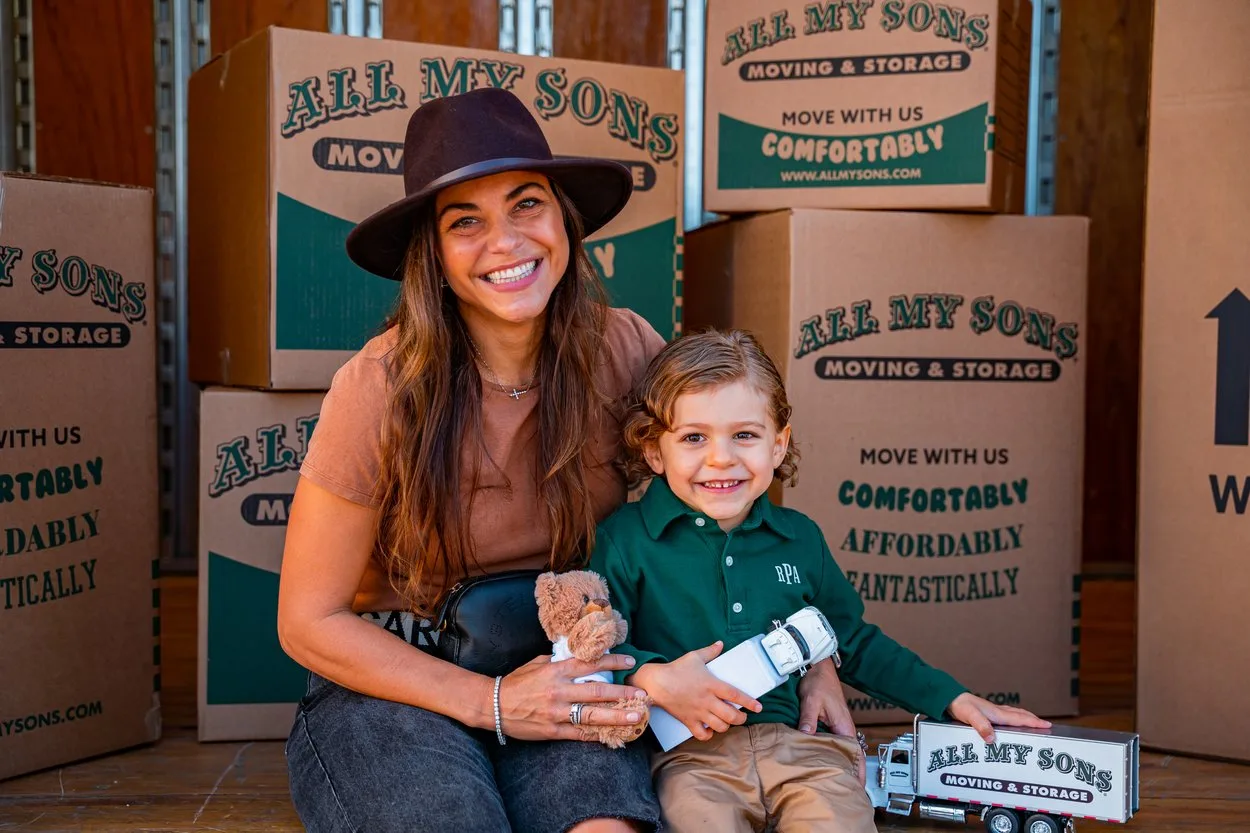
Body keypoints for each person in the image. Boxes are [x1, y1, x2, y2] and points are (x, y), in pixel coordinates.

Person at [275, 87, 850, 833]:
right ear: (434, 256)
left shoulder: (627, 350)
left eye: (526, 205)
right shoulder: (379, 388)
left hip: (576, 663)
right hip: (397, 688)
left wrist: (813, 658)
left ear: (565, 223)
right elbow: (308, 620)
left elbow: (732, 513)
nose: (507, 241)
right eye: (466, 222)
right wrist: (489, 703)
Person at [588, 329, 1052, 833]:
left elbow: (852, 640)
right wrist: (649, 674)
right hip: (686, 758)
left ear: (779, 444)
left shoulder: (799, 539)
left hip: (801, 744)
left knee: (841, 819)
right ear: (655, 452)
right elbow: (597, 653)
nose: (721, 458)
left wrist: (953, 699)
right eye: (694, 437)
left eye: (745, 435)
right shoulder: (625, 539)